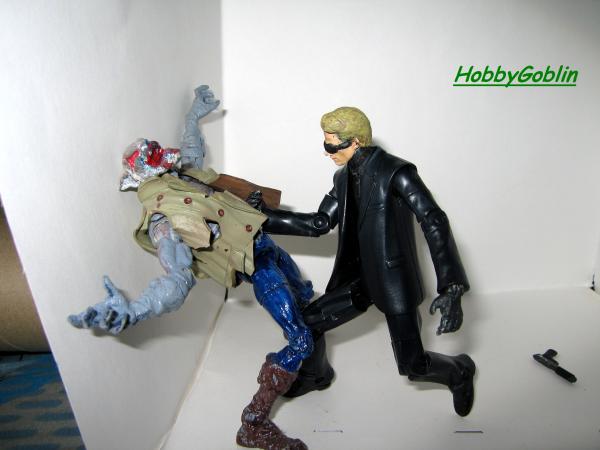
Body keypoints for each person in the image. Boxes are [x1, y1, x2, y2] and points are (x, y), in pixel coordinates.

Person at [68, 86, 312, 450]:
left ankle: (309, 371)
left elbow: (192, 152)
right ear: (141, 174)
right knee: (300, 338)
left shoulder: (177, 177)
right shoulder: (162, 220)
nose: (164, 155)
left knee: (305, 295)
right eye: (153, 155)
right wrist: (134, 310)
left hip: (264, 243)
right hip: (254, 264)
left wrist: (194, 116)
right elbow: (177, 279)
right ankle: (254, 422)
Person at [261, 106, 476, 417]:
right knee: (306, 323)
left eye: (332, 147)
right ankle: (316, 374)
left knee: (413, 366)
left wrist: (452, 285)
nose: (327, 153)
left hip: (393, 280)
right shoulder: (342, 177)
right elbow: (320, 222)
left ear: (356, 142)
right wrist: (264, 217)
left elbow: (433, 220)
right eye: (325, 145)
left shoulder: (397, 172)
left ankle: (458, 371)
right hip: (358, 279)